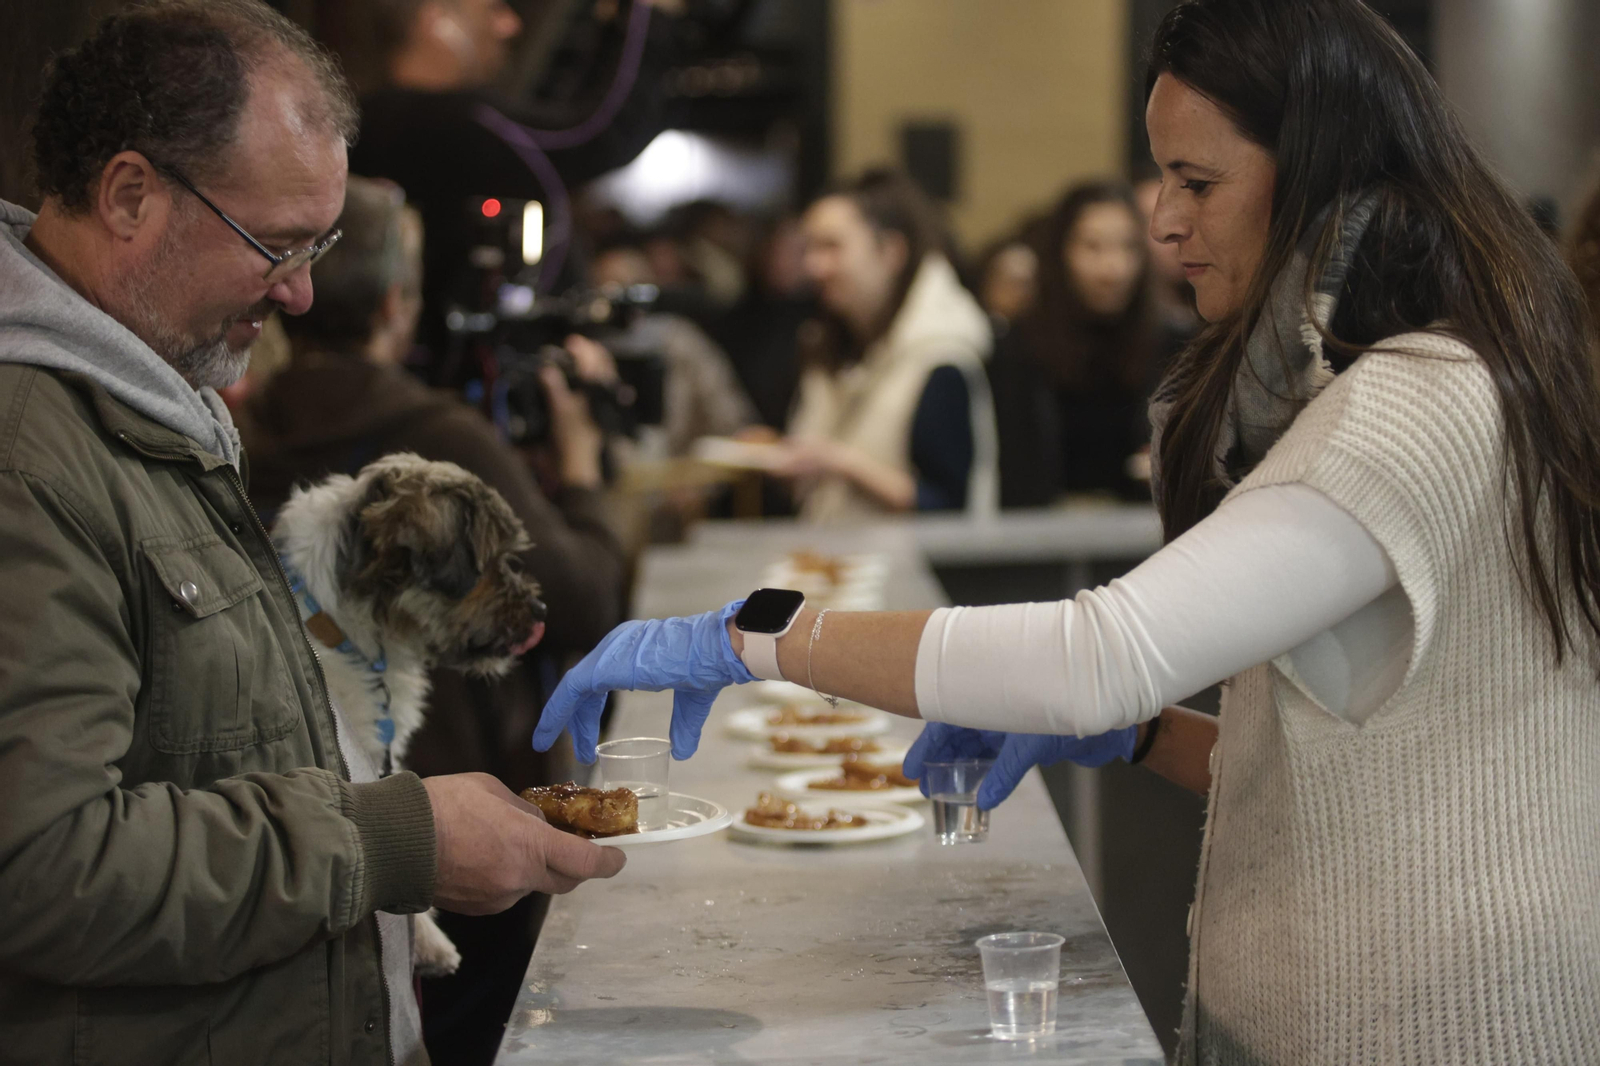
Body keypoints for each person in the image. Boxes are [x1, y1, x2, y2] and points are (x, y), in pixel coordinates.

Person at [531, 0, 1600, 1060]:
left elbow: (1099, 652)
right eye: (1162, 178)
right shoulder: (1412, 378)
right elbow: (1367, 770)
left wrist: (752, 636)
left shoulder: (1419, 398)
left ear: (1321, 169)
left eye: (1197, 181)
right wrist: (1137, 735)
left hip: (1442, 1022)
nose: (1161, 223)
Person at [0, 5, 623, 1064]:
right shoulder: (30, 456)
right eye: (275, 246)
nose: (297, 291)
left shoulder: (155, 408)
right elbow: (45, 869)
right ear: (130, 195)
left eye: (319, 248)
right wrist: (395, 839)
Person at [235, 176, 627, 1066]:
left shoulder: (245, 432)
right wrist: (582, 469)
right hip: (462, 827)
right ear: (396, 304)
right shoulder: (435, 439)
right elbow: (583, 598)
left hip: (323, 840)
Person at [344, 0, 681, 373]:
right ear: (436, 20)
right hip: (475, 389)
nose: (510, 25)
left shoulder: (361, 124)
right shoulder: (465, 123)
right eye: (492, 9)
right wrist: (648, 15)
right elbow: (599, 131)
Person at [776, 169, 997, 521]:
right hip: (831, 561)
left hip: (911, 570)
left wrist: (840, 461)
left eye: (832, 247)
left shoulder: (940, 355)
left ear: (891, 252)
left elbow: (950, 505)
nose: (814, 266)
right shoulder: (831, 342)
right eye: (810, 248)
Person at [989, 180, 1180, 506]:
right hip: (1041, 540)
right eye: (1093, 247)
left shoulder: (1172, 343)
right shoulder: (1018, 348)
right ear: (1061, 252)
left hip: (1147, 536)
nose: (1113, 268)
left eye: (1128, 248)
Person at [589, 235, 760, 457]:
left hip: (673, 472)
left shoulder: (679, 340)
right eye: (609, 287)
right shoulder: (586, 349)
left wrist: (700, 478)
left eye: (632, 287)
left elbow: (729, 415)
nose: (620, 300)